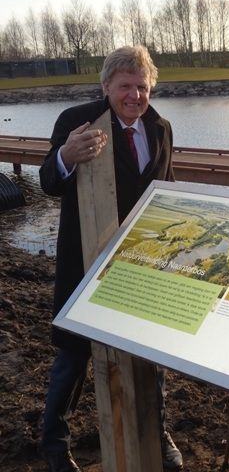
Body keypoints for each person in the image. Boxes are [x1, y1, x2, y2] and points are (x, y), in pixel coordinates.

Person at [39, 45, 183, 472]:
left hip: (143, 264)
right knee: (73, 356)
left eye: (142, 87)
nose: (135, 95)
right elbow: (48, 181)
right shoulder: (77, 121)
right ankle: (55, 444)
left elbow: (167, 188)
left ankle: (158, 433)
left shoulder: (161, 128)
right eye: (125, 86)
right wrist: (66, 157)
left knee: (150, 354)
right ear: (106, 87)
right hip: (85, 261)